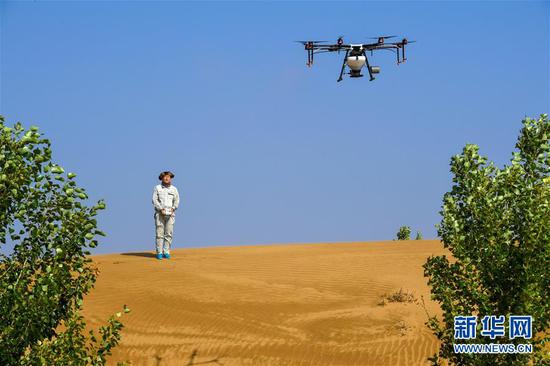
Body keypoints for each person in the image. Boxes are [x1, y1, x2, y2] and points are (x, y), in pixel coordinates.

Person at [152, 171, 180, 260]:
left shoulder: (174, 189)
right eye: (165, 177)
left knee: (169, 233)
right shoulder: (157, 188)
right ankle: (159, 252)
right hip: (160, 213)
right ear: (162, 178)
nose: (167, 178)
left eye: (168, 177)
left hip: (170, 213)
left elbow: (177, 200)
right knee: (159, 233)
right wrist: (160, 209)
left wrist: (173, 208)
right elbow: (154, 200)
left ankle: (166, 252)